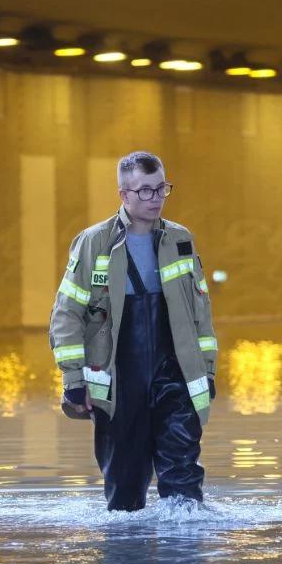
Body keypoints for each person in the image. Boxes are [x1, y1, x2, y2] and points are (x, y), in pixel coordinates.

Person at [49, 150, 218, 511]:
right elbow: (66, 314)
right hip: (119, 379)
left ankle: (186, 559)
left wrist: (207, 369)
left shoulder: (180, 239)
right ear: (123, 194)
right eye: (144, 191)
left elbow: (199, 311)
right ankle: (127, 560)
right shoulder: (94, 242)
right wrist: (74, 380)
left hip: (175, 373)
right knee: (125, 490)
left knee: (184, 479)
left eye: (161, 189)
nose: (155, 198)